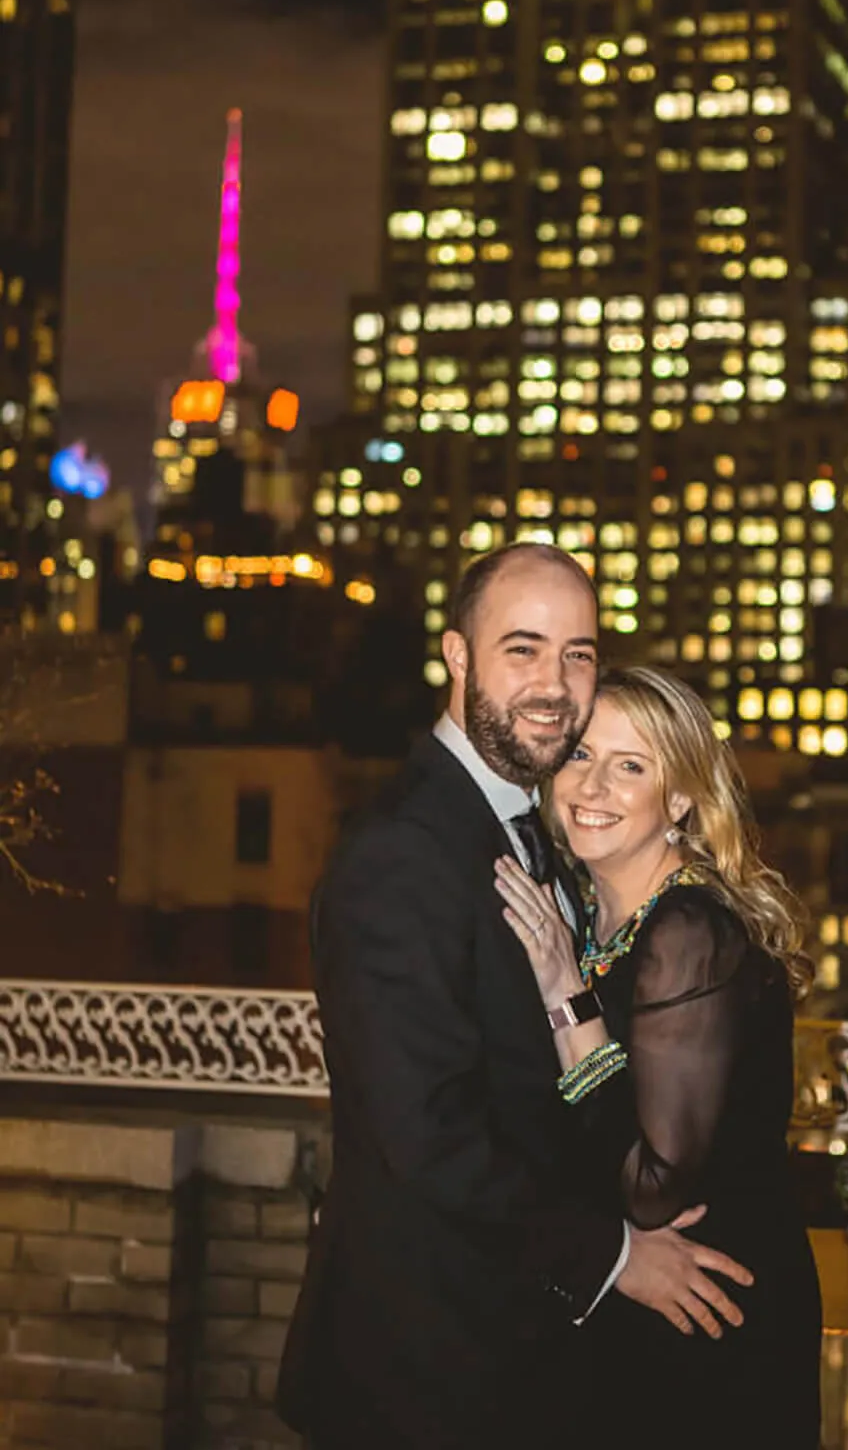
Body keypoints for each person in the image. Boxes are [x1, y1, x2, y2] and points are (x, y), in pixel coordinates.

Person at [277, 545, 753, 1449]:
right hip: (422, 1376)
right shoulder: (400, 854)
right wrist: (616, 1258)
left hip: (524, 1364)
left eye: (578, 653)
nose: (555, 681)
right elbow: (426, 1137)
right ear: (458, 656)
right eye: (523, 648)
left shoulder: (538, 827)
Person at [494, 664, 823, 1449]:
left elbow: (652, 1188)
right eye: (579, 754)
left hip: (709, 1315)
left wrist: (567, 995)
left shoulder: (688, 932)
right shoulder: (591, 917)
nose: (593, 784)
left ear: (679, 798)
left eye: (630, 765)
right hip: (637, 1300)